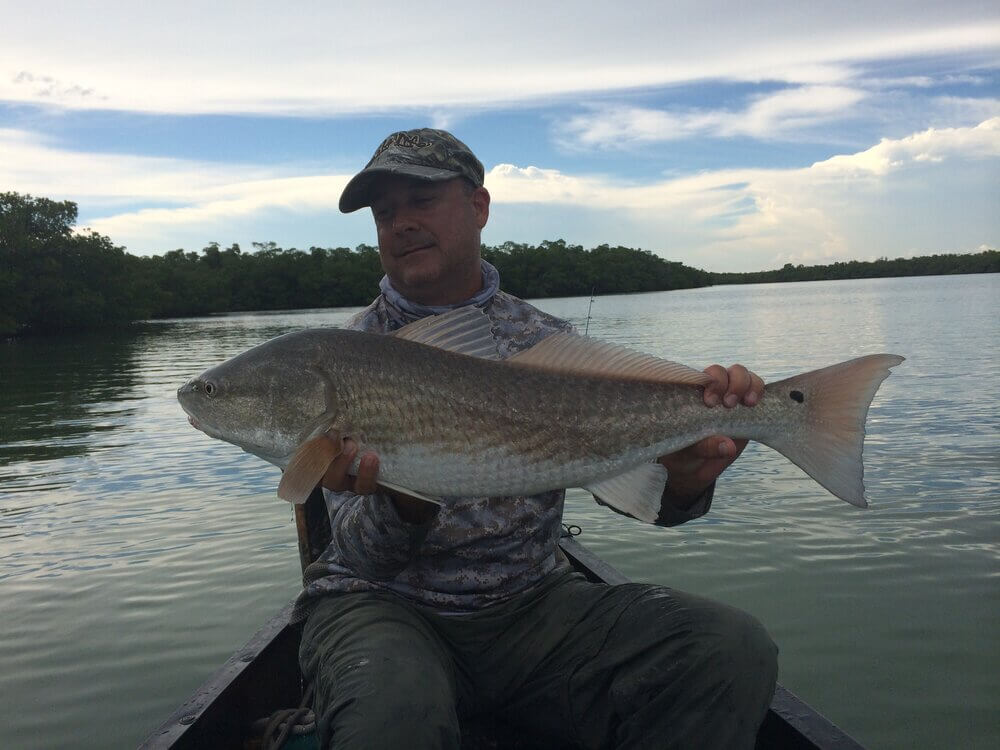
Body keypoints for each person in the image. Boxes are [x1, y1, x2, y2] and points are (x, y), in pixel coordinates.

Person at [295, 128, 778, 749]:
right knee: (396, 716)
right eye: (384, 213)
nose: (400, 224)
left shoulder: (547, 340)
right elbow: (364, 558)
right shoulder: (344, 358)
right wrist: (406, 498)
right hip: (384, 609)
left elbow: (626, 488)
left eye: (421, 200)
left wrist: (682, 487)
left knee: (728, 648)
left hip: (535, 607)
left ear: (479, 207)